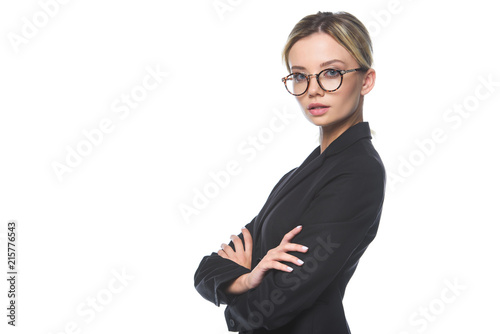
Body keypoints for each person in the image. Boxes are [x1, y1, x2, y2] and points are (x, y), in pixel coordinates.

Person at [194, 11, 386, 334]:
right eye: (300, 76)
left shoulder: (359, 173)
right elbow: (205, 270)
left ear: (366, 80)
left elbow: (266, 310)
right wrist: (245, 278)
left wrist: (240, 286)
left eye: (331, 73)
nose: (313, 90)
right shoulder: (296, 176)